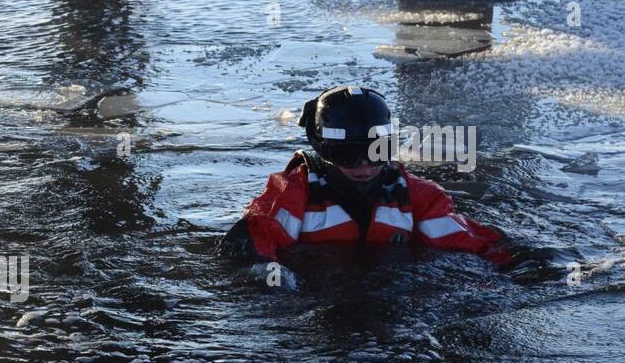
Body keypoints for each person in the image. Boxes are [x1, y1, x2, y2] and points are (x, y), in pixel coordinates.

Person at [219, 86, 511, 277]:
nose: (365, 164)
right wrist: (269, 277)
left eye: (377, 152)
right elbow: (252, 241)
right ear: (323, 150)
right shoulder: (292, 194)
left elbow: (475, 243)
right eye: (348, 154)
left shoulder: (417, 197)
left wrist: (521, 265)